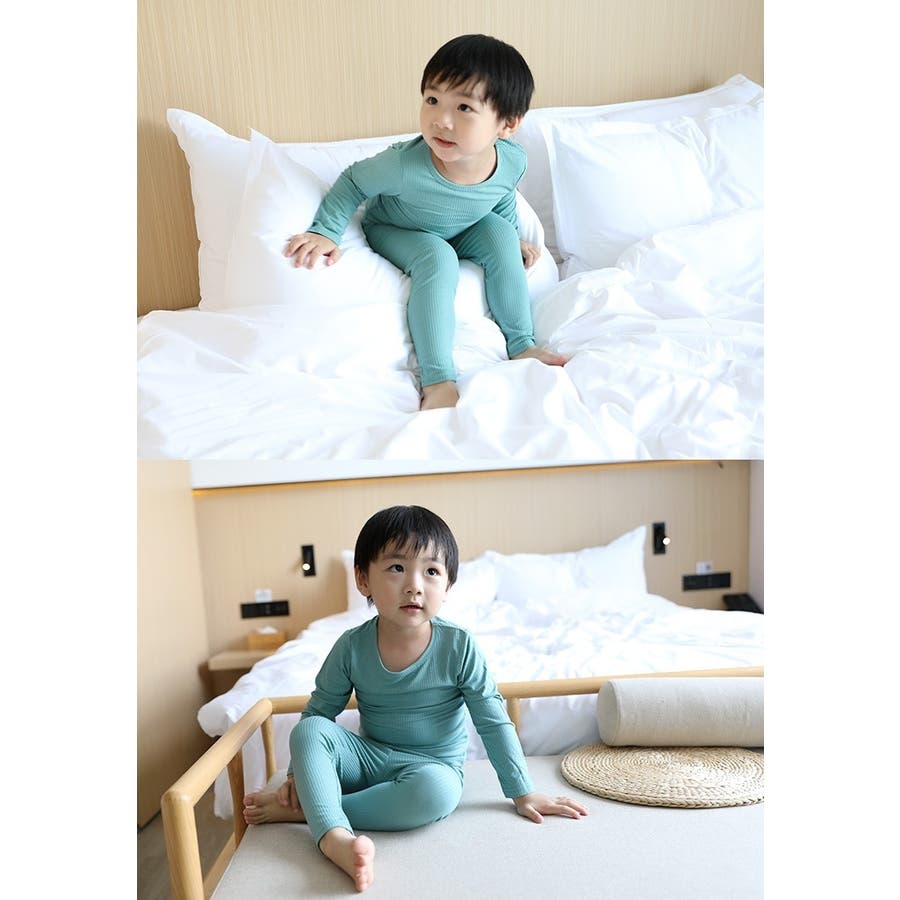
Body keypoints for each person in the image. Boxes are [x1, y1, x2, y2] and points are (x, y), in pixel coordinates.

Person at [243, 505, 588, 892]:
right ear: (363, 579)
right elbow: (319, 712)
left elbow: (492, 720)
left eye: (432, 571)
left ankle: (313, 810)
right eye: (396, 568)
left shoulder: (458, 645)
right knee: (309, 731)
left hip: (431, 767)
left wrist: (522, 792)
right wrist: (295, 777)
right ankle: (334, 837)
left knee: (437, 793)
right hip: (368, 758)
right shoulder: (351, 646)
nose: (414, 585)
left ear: (448, 586)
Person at [284, 34, 567, 412]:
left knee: (501, 233)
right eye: (432, 100)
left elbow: (500, 196)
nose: (441, 121)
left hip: (463, 227)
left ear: (507, 124)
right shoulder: (403, 166)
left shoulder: (512, 160)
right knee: (438, 258)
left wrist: (511, 235)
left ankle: (522, 344)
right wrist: (325, 230)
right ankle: (437, 380)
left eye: (464, 107)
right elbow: (352, 182)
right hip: (398, 228)